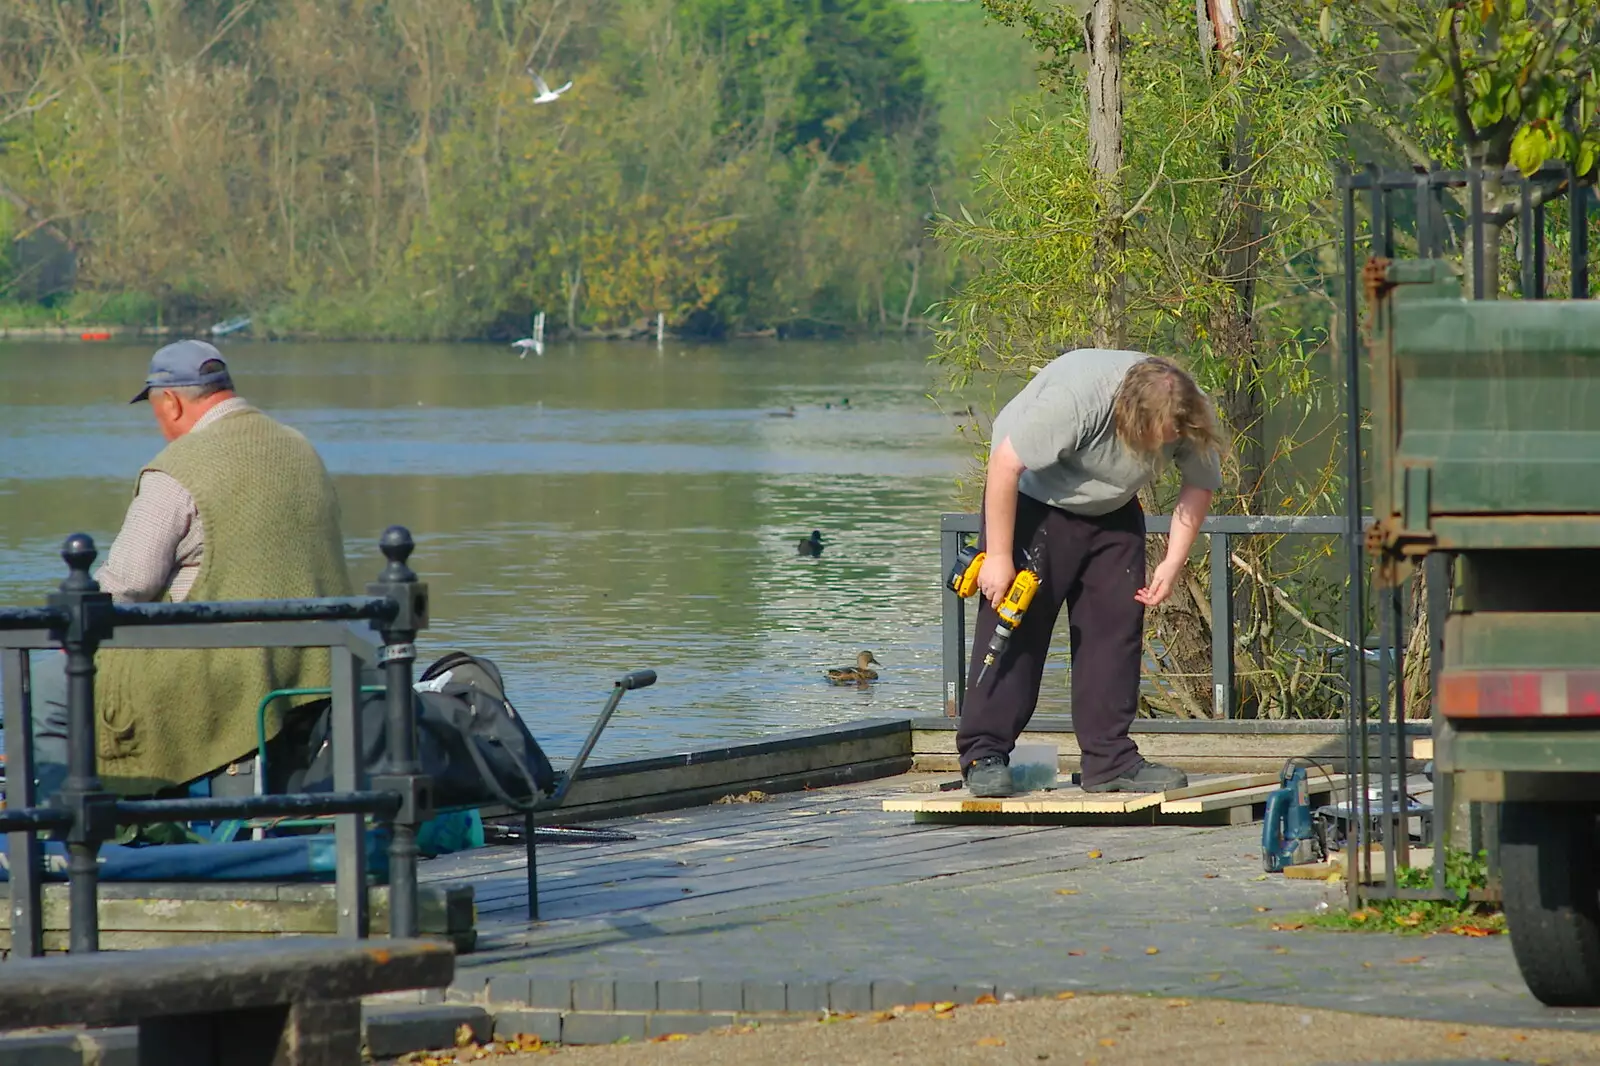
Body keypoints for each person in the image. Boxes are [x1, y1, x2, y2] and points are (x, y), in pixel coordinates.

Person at [20, 340, 353, 799]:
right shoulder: (299, 447)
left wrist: (70, 637)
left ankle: (68, 830)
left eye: (156, 412)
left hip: (228, 670)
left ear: (172, 402)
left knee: (48, 682)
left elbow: (127, 585)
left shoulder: (177, 469)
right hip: (316, 666)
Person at [958, 348, 1224, 797]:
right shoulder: (1078, 401)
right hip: (1033, 501)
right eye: (1154, 438)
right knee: (1014, 625)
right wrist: (1000, 557)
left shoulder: (1190, 408)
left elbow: (1200, 481)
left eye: (1170, 439)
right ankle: (984, 753)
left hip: (1113, 509)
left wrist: (1172, 562)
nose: (1162, 448)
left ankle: (1110, 759)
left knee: (1115, 629)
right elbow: (1004, 465)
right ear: (1129, 415)